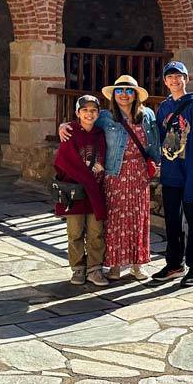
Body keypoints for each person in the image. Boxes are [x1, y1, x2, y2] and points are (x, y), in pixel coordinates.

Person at [60, 74, 160, 283]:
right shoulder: (105, 116)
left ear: (135, 95)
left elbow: (154, 143)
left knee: (137, 220)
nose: (124, 94)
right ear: (114, 95)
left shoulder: (147, 115)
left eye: (129, 90)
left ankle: (136, 265)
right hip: (115, 174)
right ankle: (114, 266)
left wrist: (155, 164)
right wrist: (63, 126)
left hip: (139, 174)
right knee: (115, 221)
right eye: (120, 91)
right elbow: (84, 122)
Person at [151, 60, 193, 288]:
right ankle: (175, 264)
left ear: (186, 79)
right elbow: (157, 136)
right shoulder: (164, 108)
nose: (174, 80)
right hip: (171, 172)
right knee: (172, 222)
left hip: (191, 175)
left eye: (179, 76)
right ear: (165, 81)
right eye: (170, 77)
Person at [53, 95, 107, 285]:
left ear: (98, 113)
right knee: (75, 232)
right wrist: (85, 172)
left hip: (96, 192)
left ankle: (95, 269)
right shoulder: (70, 132)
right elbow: (63, 162)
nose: (89, 114)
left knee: (96, 232)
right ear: (77, 113)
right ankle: (77, 269)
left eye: (93, 110)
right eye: (84, 110)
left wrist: (102, 168)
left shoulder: (101, 133)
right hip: (75, 192)